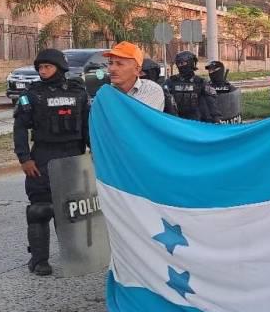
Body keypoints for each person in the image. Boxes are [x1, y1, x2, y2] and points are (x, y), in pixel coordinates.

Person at [13, 49, 91, 276]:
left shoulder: (78, 93)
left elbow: (87, 126)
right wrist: (24, 158)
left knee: (70, 209)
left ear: (60, 67)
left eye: (47, 67)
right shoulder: (32, 95)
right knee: (40, 209)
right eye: (40, 68)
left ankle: (75, 253)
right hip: (44, 157)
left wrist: (95, 151)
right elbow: (19, 129)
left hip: (73, 156)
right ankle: (39, 261)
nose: (43, 71)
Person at [102, 42, 165, 112]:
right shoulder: (105, 92)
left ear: (137, 70)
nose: (112, 69)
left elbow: (136, 118)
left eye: (119, 64)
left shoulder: (152, 90)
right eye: (110, 63)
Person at [166, 51, 221, 123]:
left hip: (196, 122)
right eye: (179, 64)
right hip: (176, 120)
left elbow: (211, 102)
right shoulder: (171, 81)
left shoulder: (200, 82)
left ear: (191, 63)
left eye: (183, 63)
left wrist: (216, 118)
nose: (181, 66)